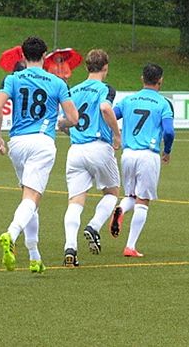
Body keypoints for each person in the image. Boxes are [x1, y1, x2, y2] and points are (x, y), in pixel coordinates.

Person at [0, 36, 79, 273]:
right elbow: (74, 118)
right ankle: (11, 234)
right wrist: (60, 124)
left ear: (22, 56)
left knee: (29, 200)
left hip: (18, 143)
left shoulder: (12, 78)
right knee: (32, 198)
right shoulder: (57, 82)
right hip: (42, 142)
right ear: (45, 56)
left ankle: (34, 256)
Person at [61, 49, 122, 266]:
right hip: (98, 146)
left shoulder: (73, 90)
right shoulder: (105, 89)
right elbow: (105, 108)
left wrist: (74, 132)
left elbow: (63, 122)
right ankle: (94, 226)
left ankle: (70, 247)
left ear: (87, 67)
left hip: (76, 150)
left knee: (75, 201)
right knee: (112, 192)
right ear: (105, 67)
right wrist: (117, 134)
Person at [111, 63, 175, 257]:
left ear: (142, 79)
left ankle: (121, 209)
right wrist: (167, 150)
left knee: (131, 196)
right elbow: (170, 131)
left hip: (128, 154)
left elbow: (111, 116)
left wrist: (115, 135)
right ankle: (130, 246)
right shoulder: (163, 103)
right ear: (160, 80)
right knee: (143, 200)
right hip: (148, 154)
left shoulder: (128, 100)